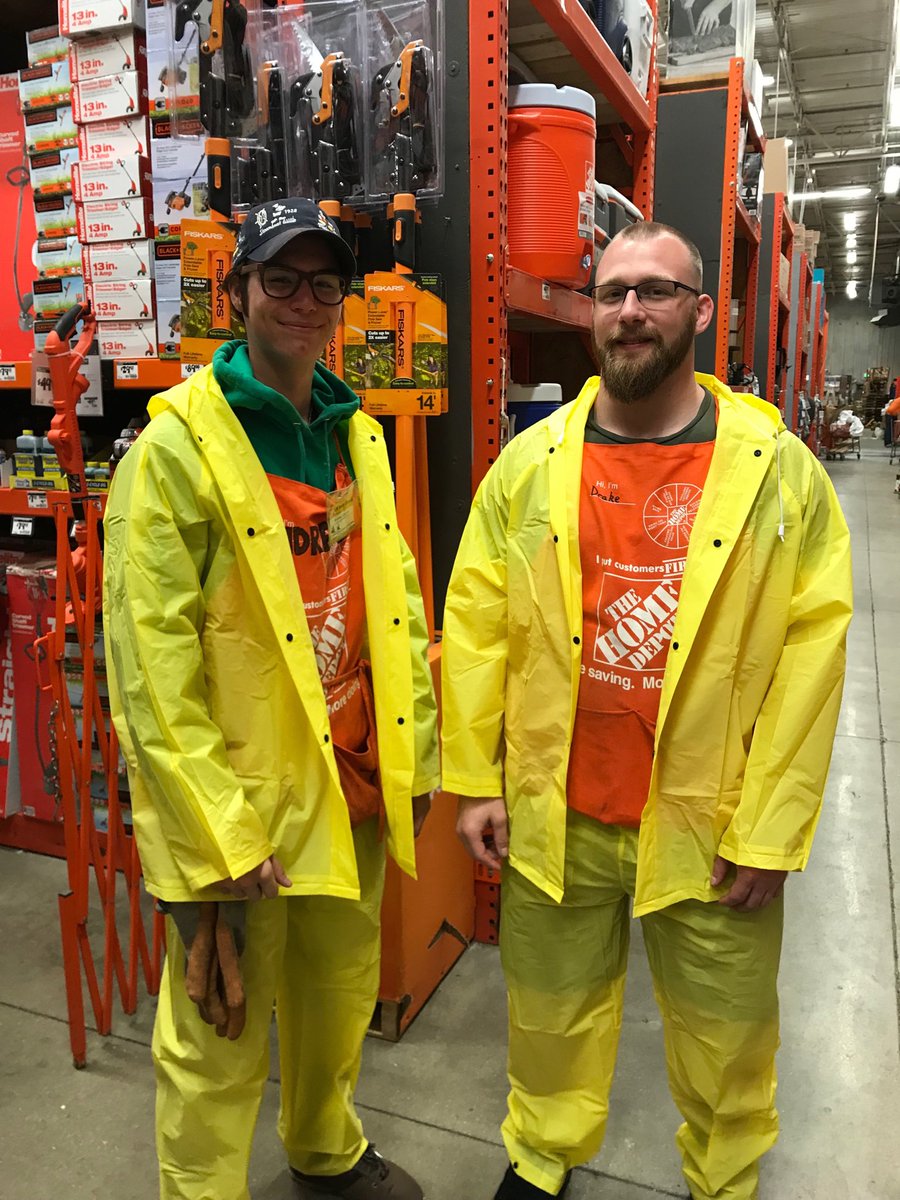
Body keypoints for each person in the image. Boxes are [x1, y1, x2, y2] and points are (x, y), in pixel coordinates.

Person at [441, 221, 852, 1200]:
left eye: (657, 291)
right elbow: (476, 625)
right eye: (613, 290)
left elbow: (813, 650)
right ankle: (540, 1157)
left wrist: (773, 828)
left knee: (726, 1033)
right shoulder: (530, 466)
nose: (631, 310)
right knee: (548, 1013)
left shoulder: (776, 472)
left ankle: (725, 1178)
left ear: (701, 312)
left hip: (711, 827)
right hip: (556, 815)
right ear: (593, 312)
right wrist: (471, 778)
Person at [104, 198, 439, 1200]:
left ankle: (324, 1151)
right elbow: (149, 667)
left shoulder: (354, 435)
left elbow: (398, 597)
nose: (305, 301)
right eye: (281, 280)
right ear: (236, 291)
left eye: (324, 283)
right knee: (220, 1027)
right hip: (241, 811)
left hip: (350, 786)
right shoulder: (176, 454)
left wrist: (412, 752)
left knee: (338, 997)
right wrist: (215, 834)